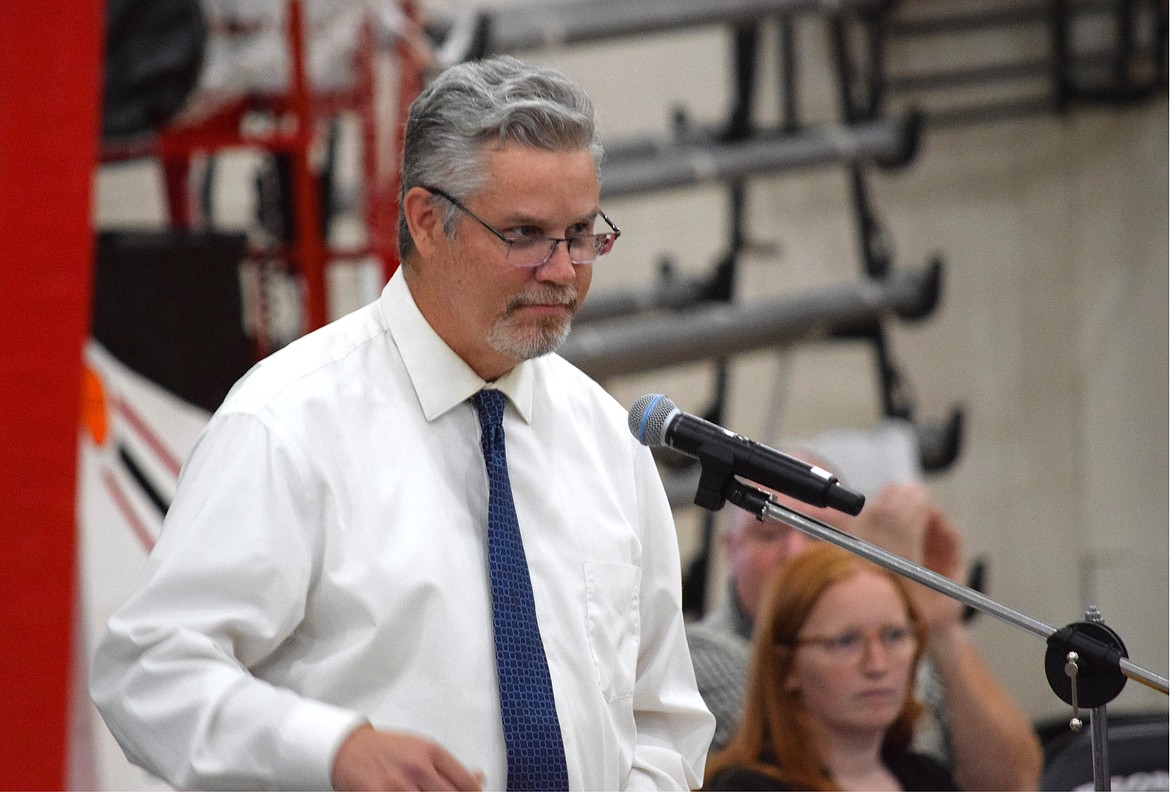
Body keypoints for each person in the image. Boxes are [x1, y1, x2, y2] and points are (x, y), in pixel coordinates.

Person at [90, 55, 715, 791]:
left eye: (582, 234)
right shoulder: (288, 424)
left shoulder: (607, 438)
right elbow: (148, 671)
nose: (563, 269)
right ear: (426, 220)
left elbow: (662, 720)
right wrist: (331, 751)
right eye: (525, 235)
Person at [687, 476, 1043, 790]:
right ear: (729, 547)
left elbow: (1015, 785)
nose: (877, 665)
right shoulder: (699, 656)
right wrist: (880, 573)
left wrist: (939, 627)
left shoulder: (923, 775)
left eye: (817, 533)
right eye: (846, 640)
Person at [703, 542, 958, 791]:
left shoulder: (930, 778)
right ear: (787, 666)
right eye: (846, 641)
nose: (877, 666)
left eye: (894, 635)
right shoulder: (741, 787)